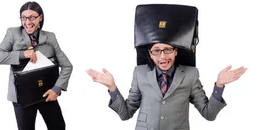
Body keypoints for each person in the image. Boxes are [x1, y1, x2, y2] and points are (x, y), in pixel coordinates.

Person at [86, 4, 248, 130]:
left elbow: (209, 114)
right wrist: (112, 87)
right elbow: (126, 114)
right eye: (156, 51)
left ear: (176, 51)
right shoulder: (140, 72)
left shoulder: (191, 74)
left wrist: (219, 85)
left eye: (168, 49)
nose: (163, 56)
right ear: (149, 53)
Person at [0, 1, 73, 130]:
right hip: (22, 96)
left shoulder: (50, 37)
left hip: (46, 93)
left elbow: (67, 66)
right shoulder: (13, 33)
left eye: (32, 17)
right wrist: (22, 54)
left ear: (40, 17)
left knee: (58, 126)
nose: (27, 22)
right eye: (24, 17)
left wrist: (57, 89)